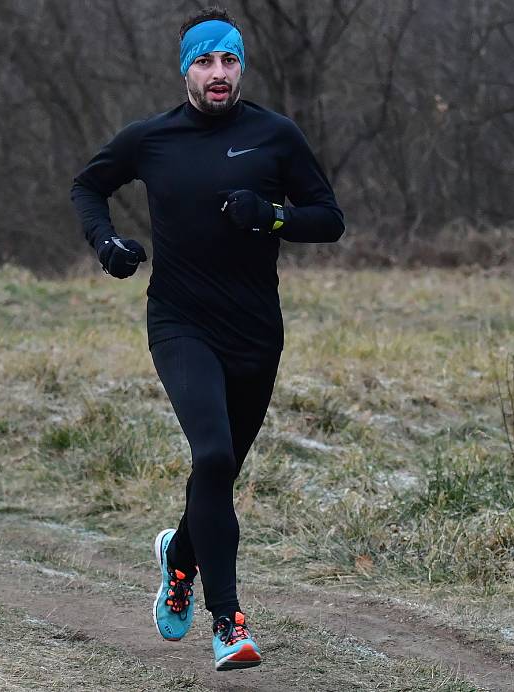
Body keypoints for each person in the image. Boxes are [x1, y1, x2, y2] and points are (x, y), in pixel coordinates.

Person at [70, 5, 344, 672]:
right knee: (214, 457)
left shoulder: (275, 136)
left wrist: (272, 216)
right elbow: (87, 186)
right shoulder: (150, 139)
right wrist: (105, 243)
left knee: (218, 474)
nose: (218, 74)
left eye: (229, 61)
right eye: (205, 61)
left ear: (242, 67)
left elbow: (328, 219)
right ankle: (229, 622)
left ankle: (179, 556)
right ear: (185, 70)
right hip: (180, 322)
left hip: (255, 333)